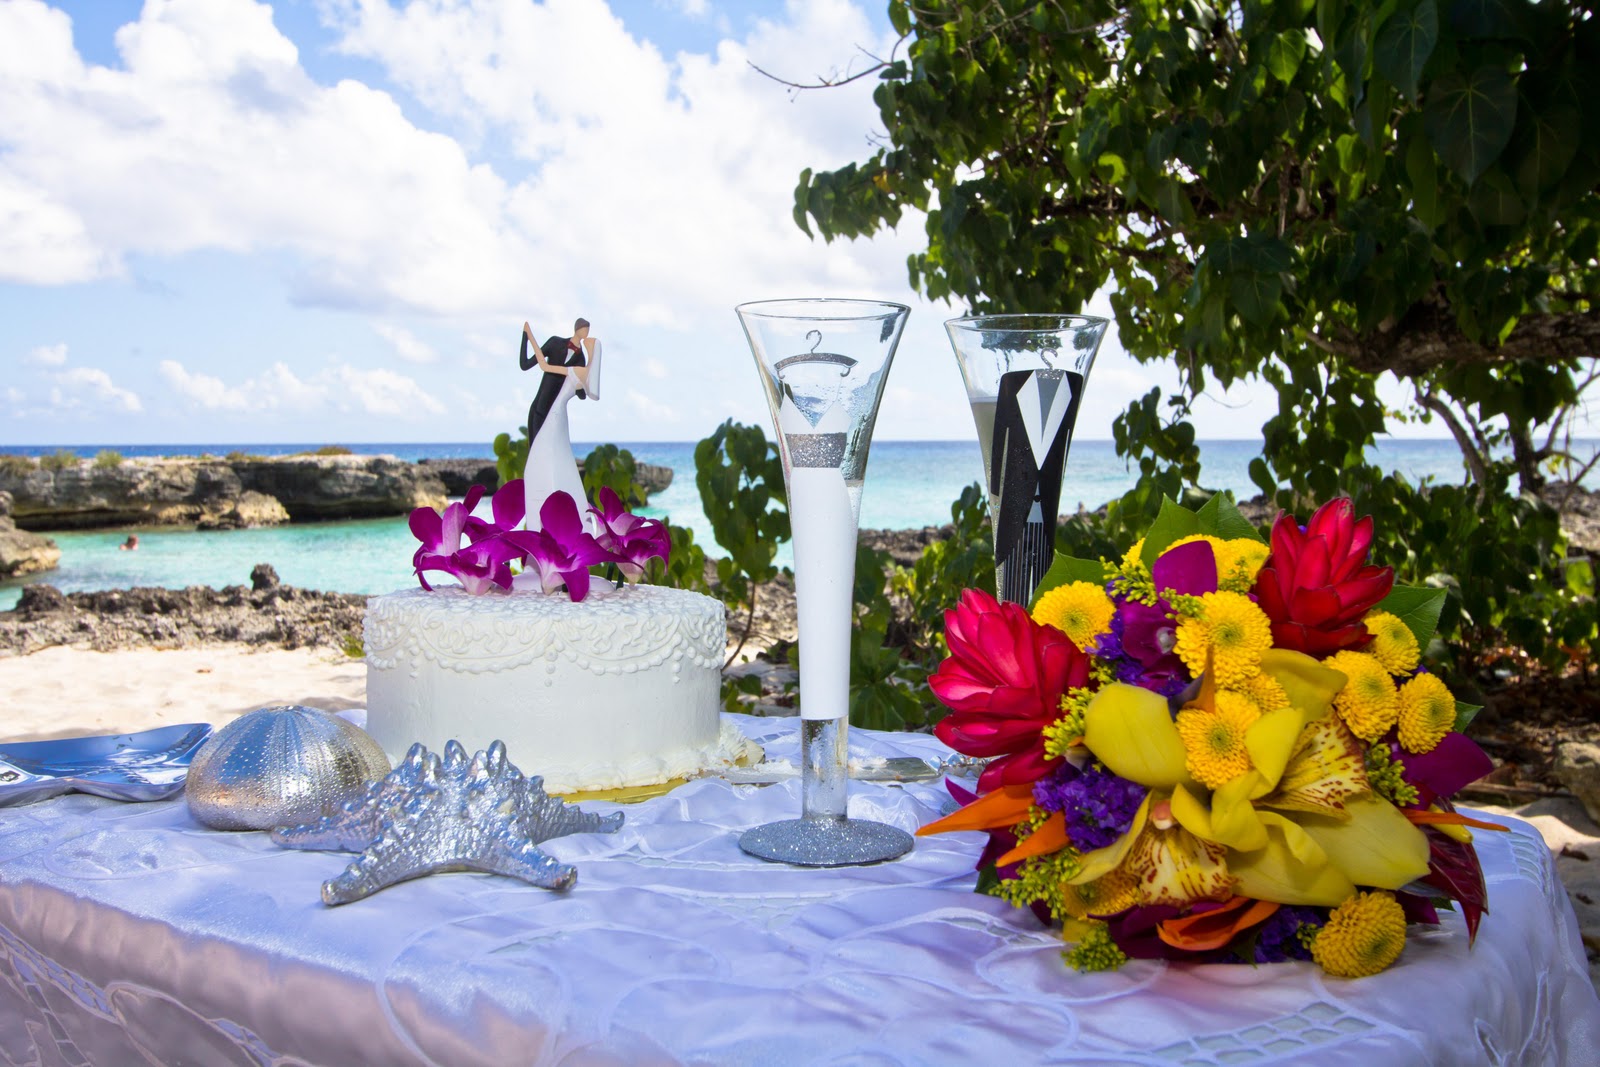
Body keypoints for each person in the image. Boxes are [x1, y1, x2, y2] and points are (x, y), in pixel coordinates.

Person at [519, 318, 602, 532]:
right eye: (586, 333)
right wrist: (527, 337)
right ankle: (541, 524)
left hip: (556, 414)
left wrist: (530, 336)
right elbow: (527, 364)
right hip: (545, 409)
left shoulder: (581, 364)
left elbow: (582, 391)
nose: (587, 338)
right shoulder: (558, 345)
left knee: (544, 465)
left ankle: (550, 525)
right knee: (544, 465)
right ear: (579, 330)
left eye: (590, 338)